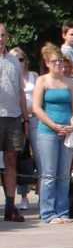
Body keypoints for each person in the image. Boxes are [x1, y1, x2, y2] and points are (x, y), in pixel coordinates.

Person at [31, 44, 73, 224]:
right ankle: (48, 212)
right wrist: (54, 125)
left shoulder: (69, 83)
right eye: (55, 61)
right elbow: (36, 108)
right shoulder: (42, 81)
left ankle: (63, 210)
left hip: (67, 132)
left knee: (64, 174)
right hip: (47, 131)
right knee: (49, 173)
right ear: (47, 63)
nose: (59, 64)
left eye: (61, 61)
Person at [0, 24, 30, 222]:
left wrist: (25, 119)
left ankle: (10, 207)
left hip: (13, 116)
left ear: (7, 37)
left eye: (2, 35)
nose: (0, 38)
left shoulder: (13, 61)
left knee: (11, 160)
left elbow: (20, 91)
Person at [10, 47, 38, 212]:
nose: (18, 63)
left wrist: (30, 113)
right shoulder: (7, 77)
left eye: (21, 59)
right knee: (19, 159)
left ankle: (41, 195)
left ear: (25, 60)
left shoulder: (34, 76)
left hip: (34, 119)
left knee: (38, 158)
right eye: (15, 59)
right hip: (15, 120)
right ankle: (22, 196)